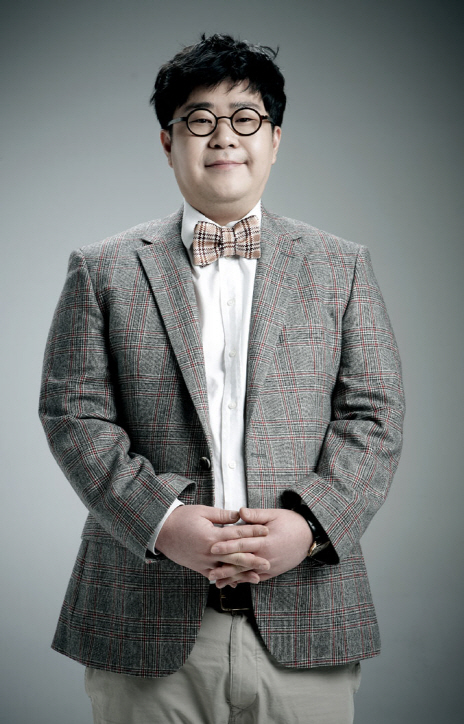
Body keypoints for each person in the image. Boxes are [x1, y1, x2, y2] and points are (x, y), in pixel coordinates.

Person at [39, 33, 405, 724]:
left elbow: (375, 416)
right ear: (167, 141)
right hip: (143, 617)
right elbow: (73, 415)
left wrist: (310, 526)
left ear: (275, 140)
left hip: (307, 615)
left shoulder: (341, 266)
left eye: (245, 118)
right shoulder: (102, 269)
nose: (223, 136)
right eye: (199, 119)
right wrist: (163, 522)